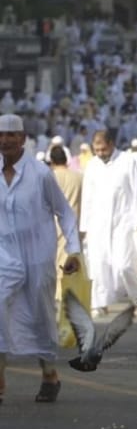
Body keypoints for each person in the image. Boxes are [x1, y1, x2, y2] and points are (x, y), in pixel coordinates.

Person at [0, 113, 81, 405]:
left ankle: (49, 374)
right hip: (4, 256)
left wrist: (73, 250)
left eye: (11, 135)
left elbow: (65, 212)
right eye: (1, 135)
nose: (6, 140)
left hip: (37, 257)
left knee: (41, 315)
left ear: (23, 138)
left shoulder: (40, 174)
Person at [80, 129, 137, 317]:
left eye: (103, 149)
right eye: (97, 150)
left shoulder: (127, 161)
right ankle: (100, 303)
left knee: (123, 265)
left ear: (111, 144)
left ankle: (135, 299)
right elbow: (87, 197)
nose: (100, 153)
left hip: (122, 221)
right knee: (98, 263)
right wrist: (84, 226)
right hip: (97, 223)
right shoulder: (93, 165)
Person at [48, 145, 83, 293]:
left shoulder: (49, 177)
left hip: (53, 224)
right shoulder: (79, 176)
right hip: (74, 223)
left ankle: (59, 292)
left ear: (51, 161)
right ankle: (67, 291)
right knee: (71, 259)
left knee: (56, 260)